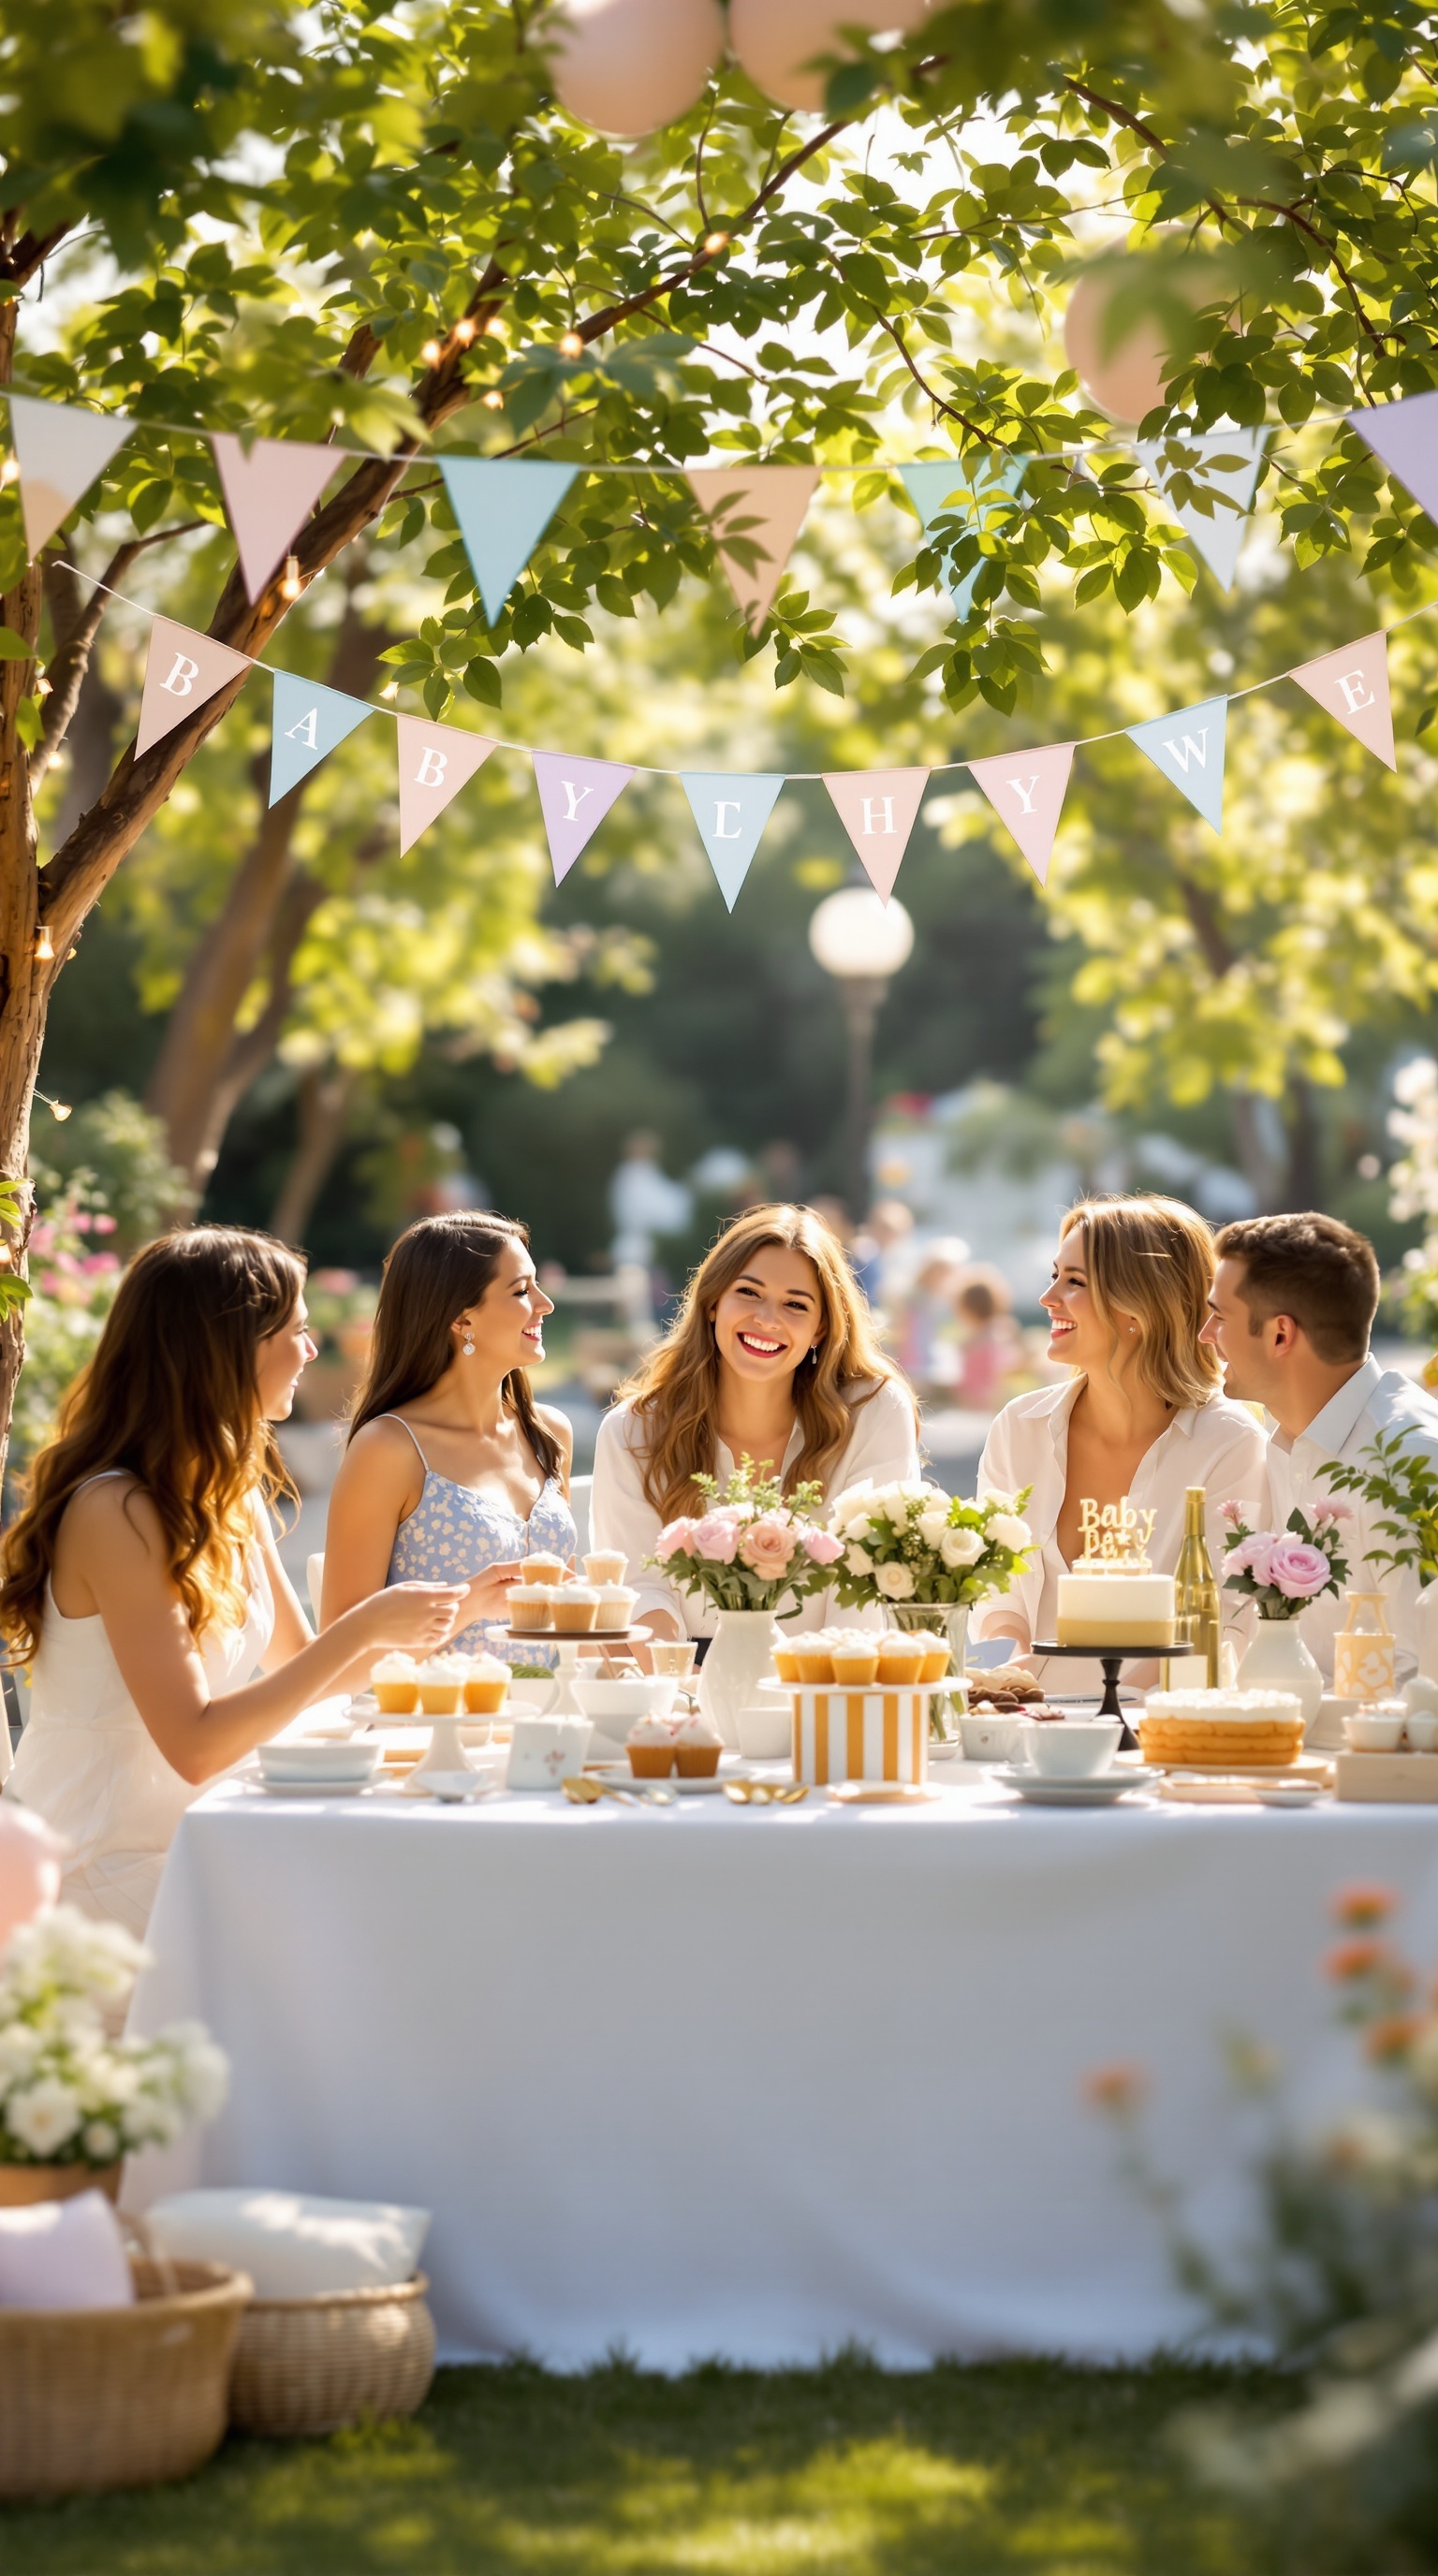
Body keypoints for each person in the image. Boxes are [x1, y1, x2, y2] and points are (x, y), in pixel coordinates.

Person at [1, 1229, 462, 1933]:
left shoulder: (227, 1491)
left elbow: (310, 1666)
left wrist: (461, 1607)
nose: (312, 1351)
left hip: (199, 1838)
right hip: (96, 1864)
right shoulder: (115, 1510)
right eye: (298, 1331)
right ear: (229, 1344)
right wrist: (368, 1626)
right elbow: (195, 1745)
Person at [970, 1195, 1269, 1684]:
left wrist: (1109, 1714)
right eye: (1054, 1276)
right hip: (1022, 1728)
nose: (1048, 1299)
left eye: (1075, 1282)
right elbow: (995, 1590)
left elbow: (1224, 1621)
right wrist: (1008, 1674)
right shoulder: (1018, 1427)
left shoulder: (1231, 1445)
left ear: (1138, 1306)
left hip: (1153, 1737)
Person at [591, 1202, 919, 1643]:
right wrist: (684, 1694)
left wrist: (824, 1696)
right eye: (748, 1293)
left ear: (821, 1329)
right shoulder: (632, 1430)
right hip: (679, 1680)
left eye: (795, 1305)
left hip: (832, 1675)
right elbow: (637, 1589)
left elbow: (866, 1591)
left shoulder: (874, 1413)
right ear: (713, 1303)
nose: (767, 1319)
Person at [321, 1212, 576, 1662]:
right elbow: (336, 1655)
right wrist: (466, 1607)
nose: (545, 1304)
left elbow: (571, 1617)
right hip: (437, 1722)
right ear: (461, 1320)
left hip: (552, 1717)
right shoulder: (389, 1449)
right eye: (521, 1291)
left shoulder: (548, 1434)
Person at [1201, 1212, 1438, 1681]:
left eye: (1219, 1316)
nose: (1205, 1334)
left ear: (1280, 1335)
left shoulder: (1412, 1461)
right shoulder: (1285, 1439)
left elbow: (1423, 1686)